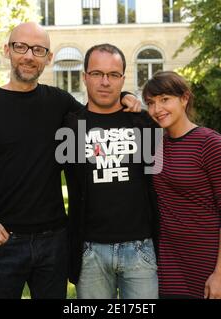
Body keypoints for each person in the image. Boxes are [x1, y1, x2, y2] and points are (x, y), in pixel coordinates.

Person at [0, 22, 140, 299]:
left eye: (38, 50)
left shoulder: (60, 102)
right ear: (7, 50)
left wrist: (124, 96)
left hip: (54, 241)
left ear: (48, 58)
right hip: (2, 241)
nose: (29, 56)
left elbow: (99, 115)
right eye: (21, 47)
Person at [62, 44, 160, 299]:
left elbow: (169, 174)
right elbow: (37, 170)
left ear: (122, 79)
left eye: (113, 75)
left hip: (141, 249)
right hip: (90, 251)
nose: (105, 82)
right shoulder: (71, 126)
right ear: (85, 77)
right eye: (96, 73)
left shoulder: (143, 123)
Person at [142, 71, 221, 299]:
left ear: (184, 98)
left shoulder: (209, 142)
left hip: (210, 263)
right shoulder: (156, 146)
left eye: (165, 99)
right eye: (151, 103)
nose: (157, 109)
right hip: (170, 264)